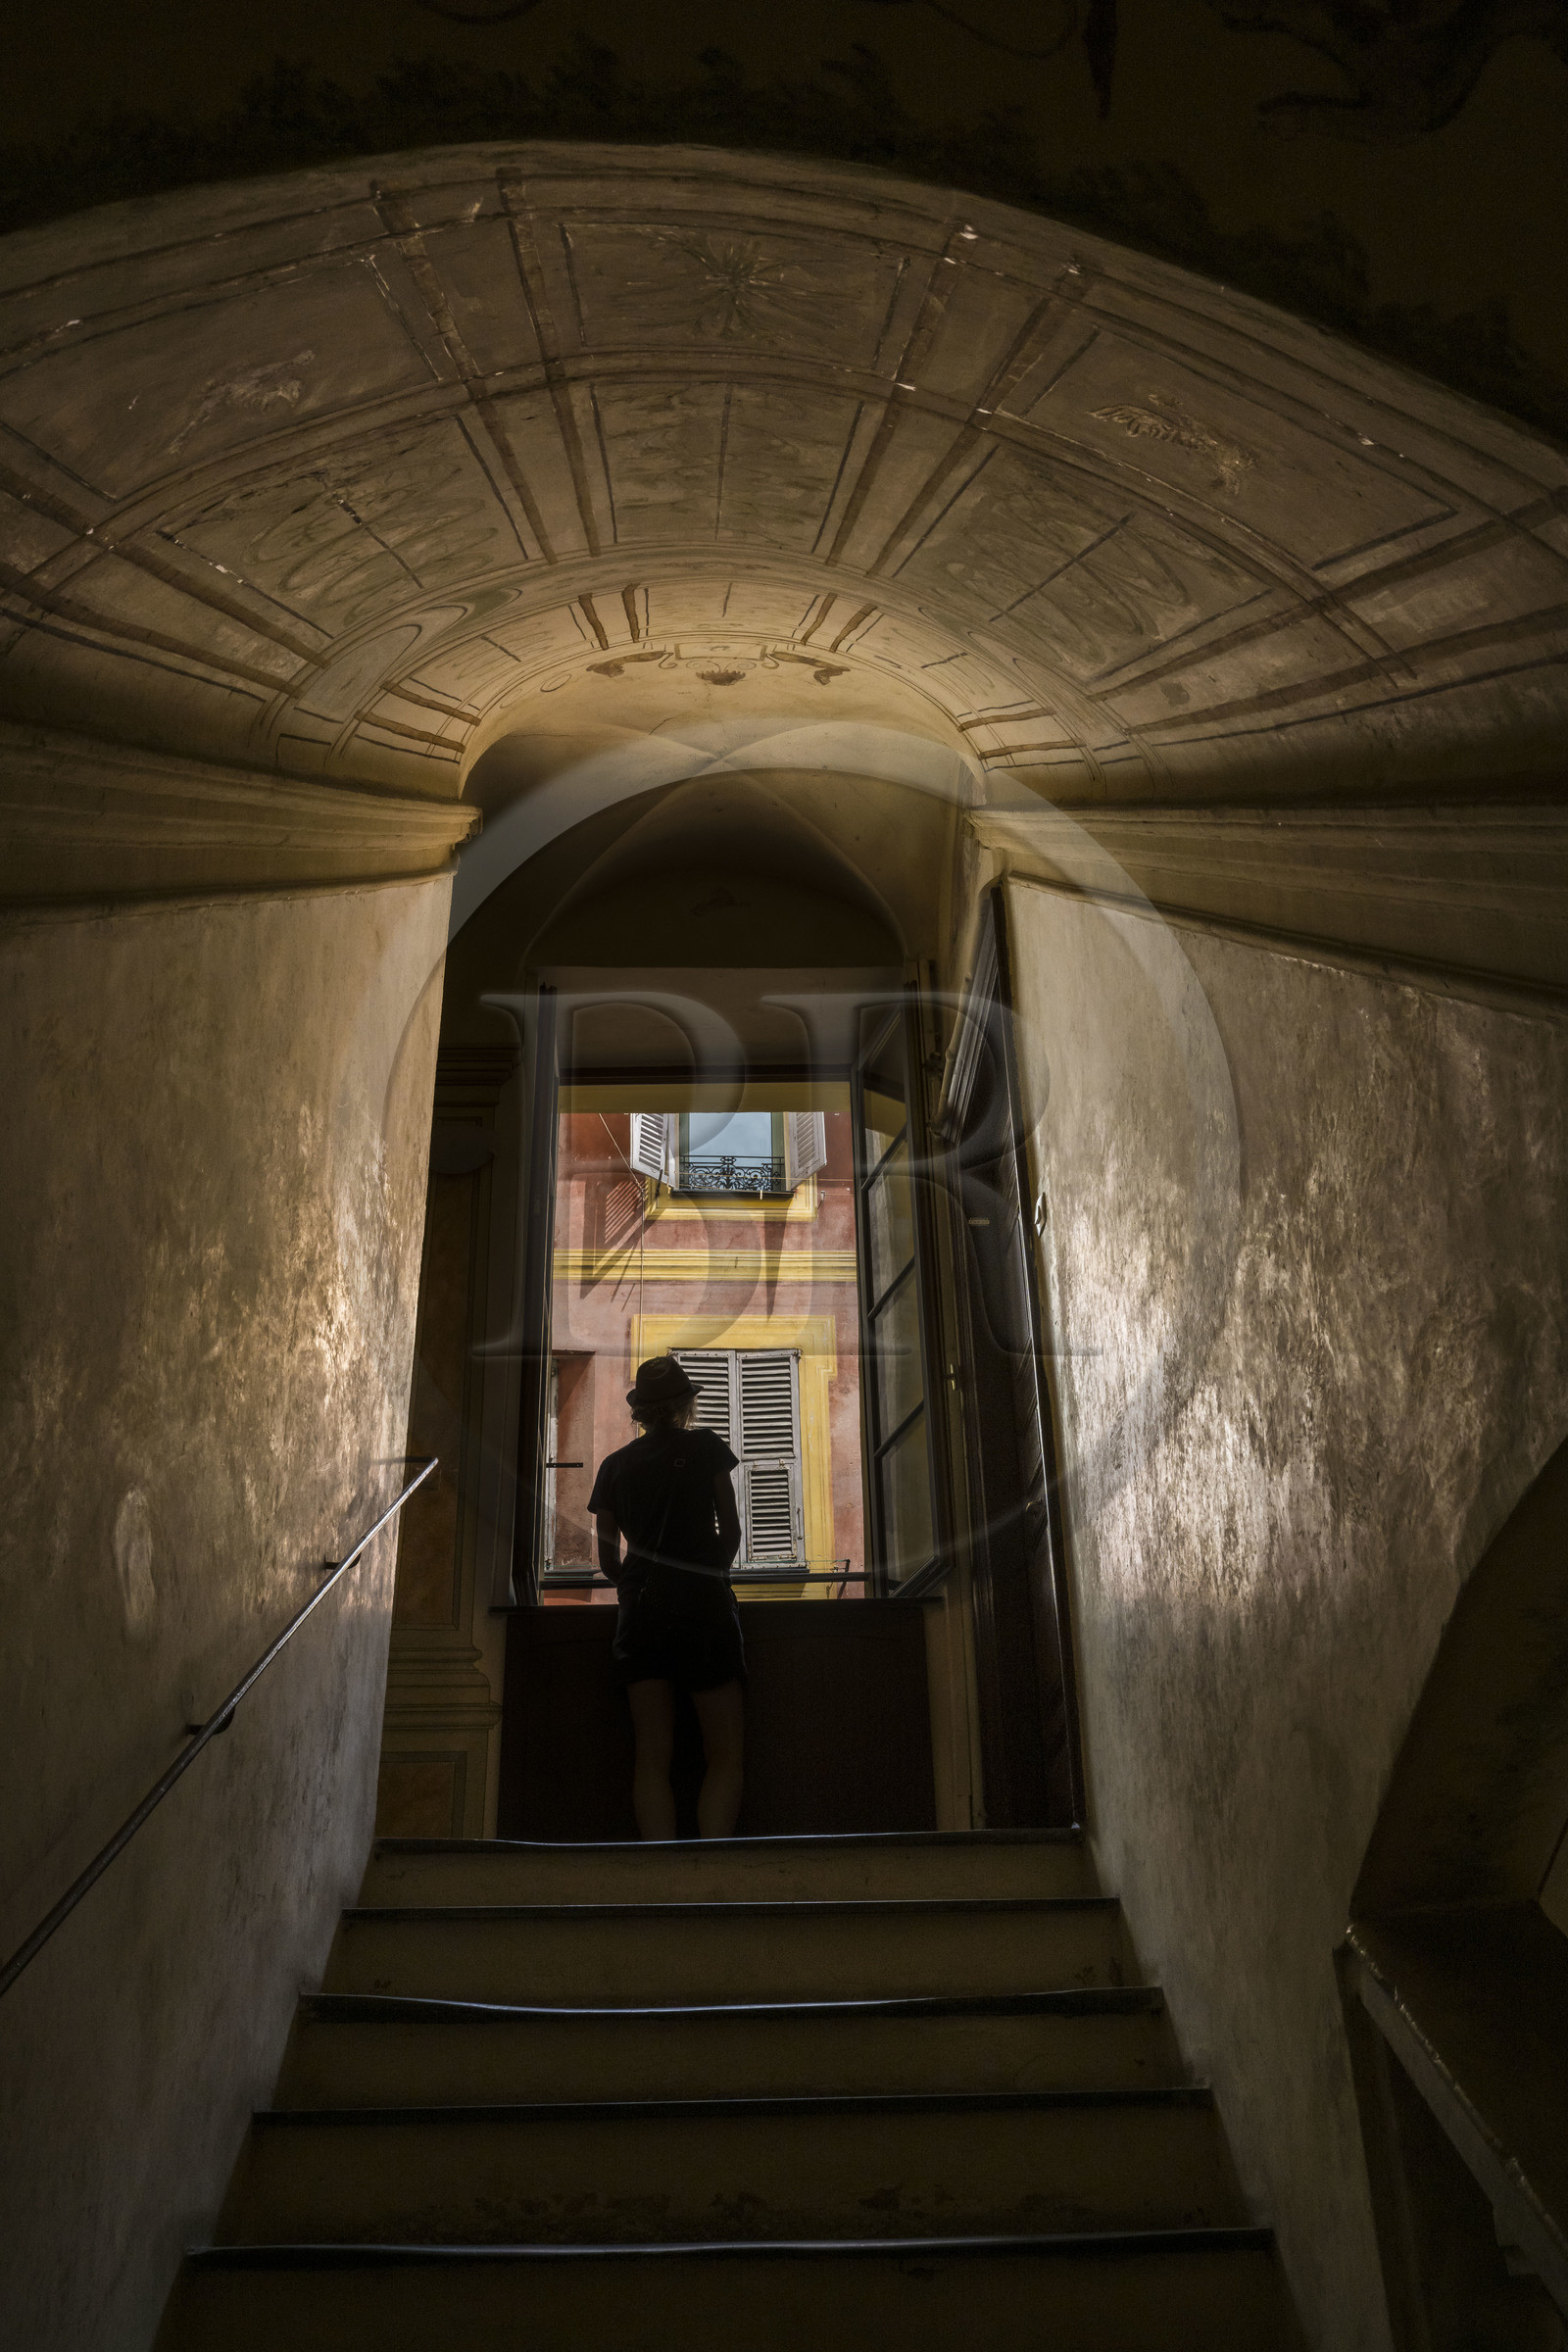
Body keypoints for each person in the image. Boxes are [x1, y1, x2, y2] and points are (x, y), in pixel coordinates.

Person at [588, 1354, 746, 1839]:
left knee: (651, 1755)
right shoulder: (705, 1448)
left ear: (640, 1410)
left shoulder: (614, 1466)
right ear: (685, 1404)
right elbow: (731, 1529)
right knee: (724, 1754)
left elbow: (609, 1559)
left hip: (642, 1612)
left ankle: (660, 1874)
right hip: (703, 1606)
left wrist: (635, 1587)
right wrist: (706, 1571)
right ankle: (712, 1871)